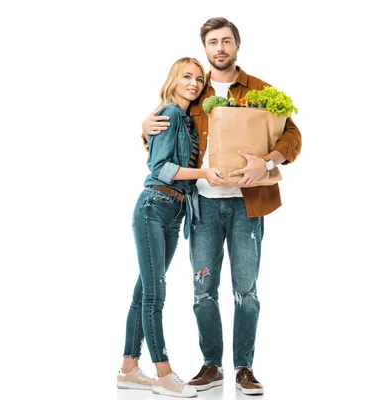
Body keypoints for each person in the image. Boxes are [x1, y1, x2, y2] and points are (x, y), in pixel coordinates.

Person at [141, 17, 302, 395]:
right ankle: (211, 365)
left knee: (246, 291)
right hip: (203, 207)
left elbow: (292, 134)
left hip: (249, 204)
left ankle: (244, 368)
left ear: (237, 46)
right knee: (203, 290)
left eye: (226, 41)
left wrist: (267, 161)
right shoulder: (195, 90)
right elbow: (164, 133)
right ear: (206, 49)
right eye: (213, 42)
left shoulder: (259, 90)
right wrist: (144, 126)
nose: (220, 48)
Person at [117, 56, 227, 398]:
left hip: (174, 213)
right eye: (186, 77)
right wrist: (206, 174)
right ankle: (163, 373)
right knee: (155, 294)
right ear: (174, 80)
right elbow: (160, 167)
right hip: (154, 206)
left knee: (143, 292)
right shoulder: (170, 113)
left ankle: (129, 370)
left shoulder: (187, 119)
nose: (193, 83)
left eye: (198, 78)